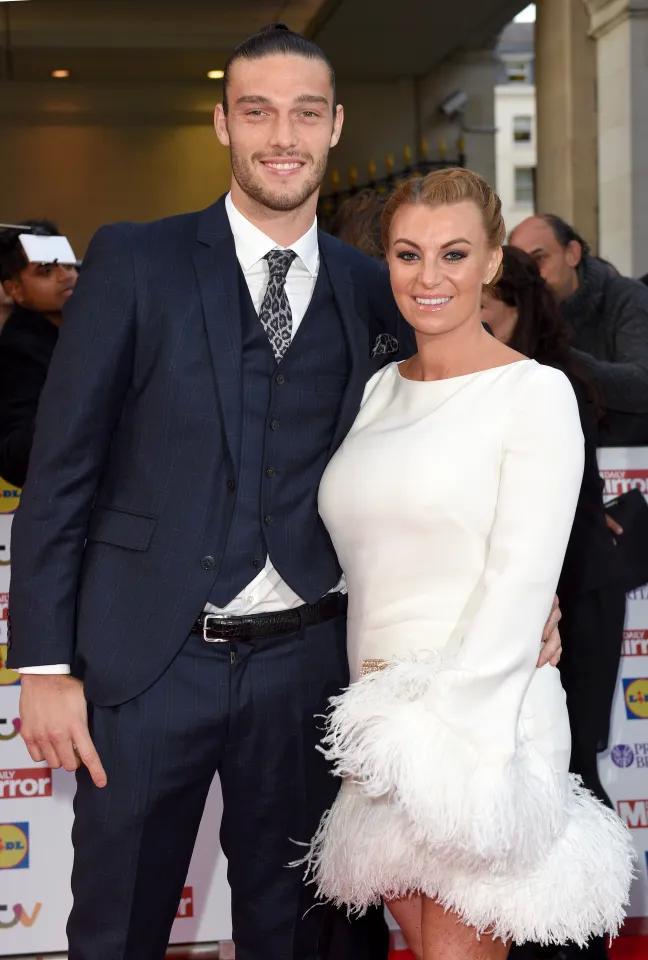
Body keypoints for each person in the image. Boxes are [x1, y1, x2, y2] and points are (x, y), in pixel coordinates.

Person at [7, 27, 563, 960]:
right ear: (223, 123)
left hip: (310, 672)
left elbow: (448, 442)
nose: (282, 136)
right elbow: (61, 471)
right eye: (257, 111)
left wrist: (531, 592)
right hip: (147, 663)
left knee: (307, 935)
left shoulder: (377, 286)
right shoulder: (135, 262)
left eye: (305, 113)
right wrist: (43, 667)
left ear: (335, 125)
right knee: (116, 927)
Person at [305, 169, 634, 960]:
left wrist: (446, 744)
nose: (430, 277)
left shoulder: (535, 394)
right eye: (408, 254)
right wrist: (386, 732)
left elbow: (522, 578)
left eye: (454, 254)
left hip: (477, 730)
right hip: (379, 727)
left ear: (491, 262)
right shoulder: (379, 391)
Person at [482, 246, 627, 960]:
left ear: (523, 309)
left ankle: (583, 934)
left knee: (572, 771)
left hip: (576, 599)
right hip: (527, 600)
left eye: (490, 314)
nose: (477, 327)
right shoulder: (478, 381)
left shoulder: (552, 382)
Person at [510, 214, 648, 446]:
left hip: (624, 459)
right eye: (525, 267)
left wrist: (560, 357)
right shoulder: (517, 311)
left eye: (539, 259)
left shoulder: (628, 299)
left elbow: (642, 385)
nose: (533, 275)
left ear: (572, 253)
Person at [0, 219, 78, 485]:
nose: (66, 276)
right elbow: (14, 459)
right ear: (14, 289)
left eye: (68, 264)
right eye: (46, 270)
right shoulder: (17, 353)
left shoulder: (90, 325)